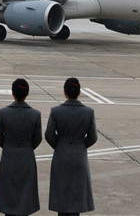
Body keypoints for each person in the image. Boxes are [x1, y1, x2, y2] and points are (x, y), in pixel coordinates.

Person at [45, 77, 98, 216]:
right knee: (76, 196)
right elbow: (93, 137)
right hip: (79, 155)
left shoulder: (56, 111)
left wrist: (60, 145)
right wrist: (80, 145)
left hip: (61, 154)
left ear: (65, 92)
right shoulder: (88, 112)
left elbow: (49, 135)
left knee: (62, 194)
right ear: (79, 92)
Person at [0, 78, 42, 216]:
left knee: (9, 195)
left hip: (9, 155)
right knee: (25, 197)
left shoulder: (4, 112)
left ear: (12, 93)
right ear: (27, 93)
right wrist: (26, 147)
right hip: (26, 156)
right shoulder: (35, 114)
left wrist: (8, 146)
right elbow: (37, 138)